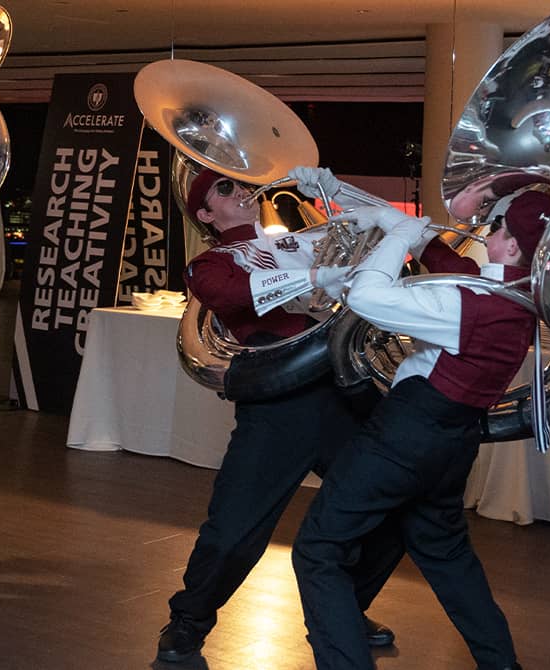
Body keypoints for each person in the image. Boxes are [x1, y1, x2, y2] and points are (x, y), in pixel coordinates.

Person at [291, 169, 550, 670]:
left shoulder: (468, 305)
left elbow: (367, 297)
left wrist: (398, 236)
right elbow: (445, 259)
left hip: (404, 437)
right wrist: (366, 206)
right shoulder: (517, 300)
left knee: (318, 549)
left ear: (512, 248)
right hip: (452, 444)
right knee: (448, 557)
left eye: (496, 228)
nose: (486, 232)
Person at [155, 168, 404, 663]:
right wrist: (313, 278)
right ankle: (187, 624)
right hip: (278, 405)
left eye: (240, 183)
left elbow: (378, 227)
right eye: (223, 189)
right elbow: (228, 297)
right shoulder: (208, 264)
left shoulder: (295, 241)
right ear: (205, 214)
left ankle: (346, 608)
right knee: (233, 533)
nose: (242, 190)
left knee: (399, 506)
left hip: (338, 392)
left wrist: (334, 193)